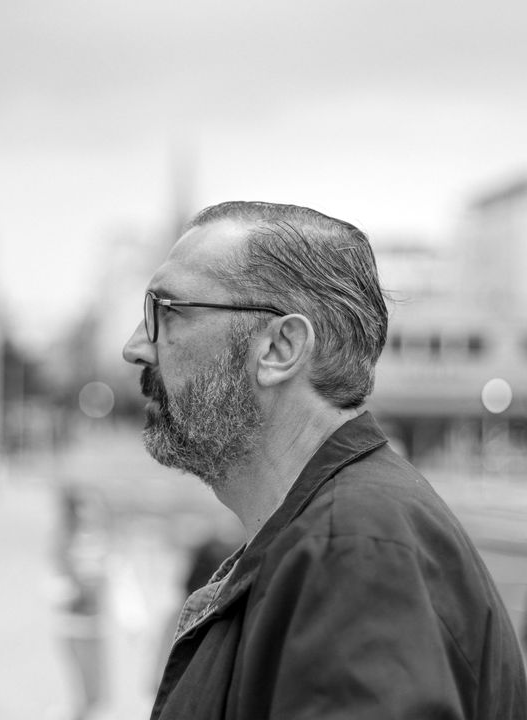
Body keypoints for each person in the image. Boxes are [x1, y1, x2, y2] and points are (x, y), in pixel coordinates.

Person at [122, 201, 527, 720]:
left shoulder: (353, 551)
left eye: (168, 311)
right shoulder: (334, 533)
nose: (136, 346)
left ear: (280, 348)